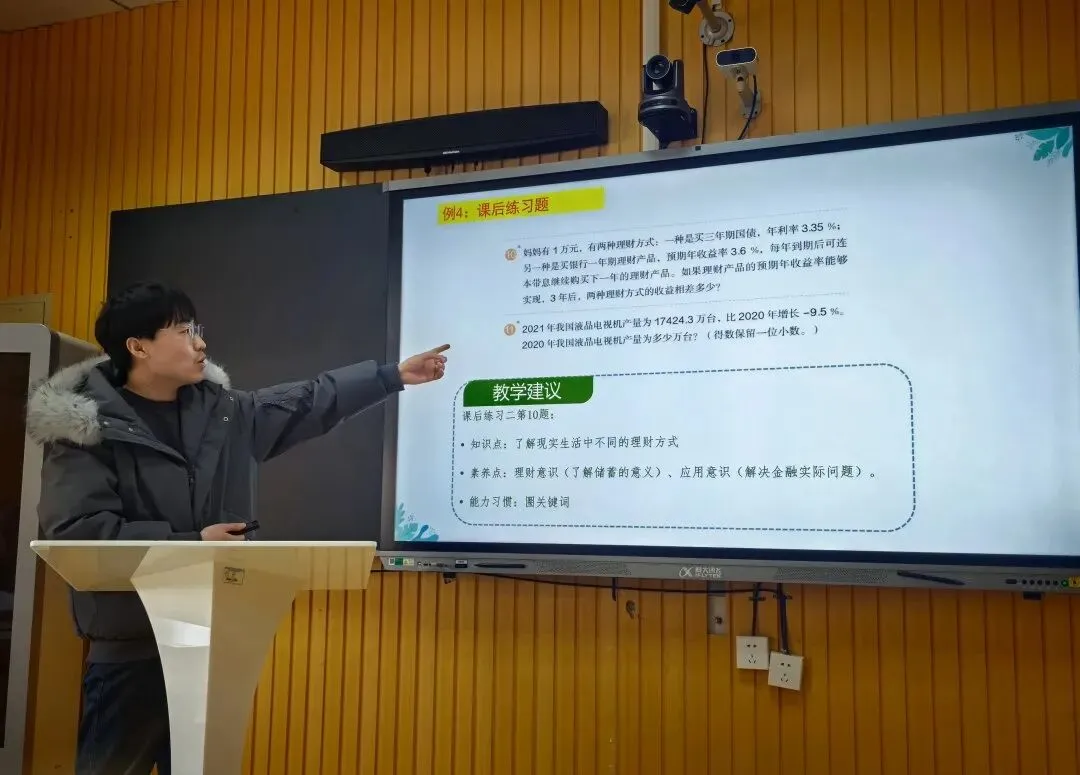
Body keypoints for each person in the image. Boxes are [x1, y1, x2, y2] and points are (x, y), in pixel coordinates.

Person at [24, 281, 449, 775]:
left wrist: (390, 376)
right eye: (184, 332)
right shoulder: (84, 430)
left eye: (197, 329)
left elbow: (308, 401)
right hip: (132, 648)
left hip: (213, 641)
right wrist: (192, 545)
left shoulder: (225, 413)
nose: (201, 343)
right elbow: (78, 533)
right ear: (138, 347)